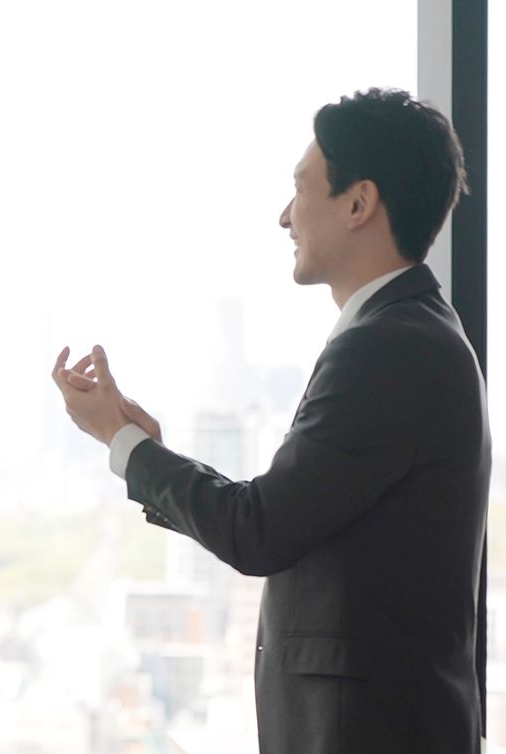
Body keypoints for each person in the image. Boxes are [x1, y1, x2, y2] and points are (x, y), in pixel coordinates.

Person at [53, 88, 488, 753]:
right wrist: (148, 449)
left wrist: (121, 439)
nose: (284, 216)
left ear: (359, 204)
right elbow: (298, 512)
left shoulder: (386, 347)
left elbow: (260, 530)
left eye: (301, 188)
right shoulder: (414, 332)